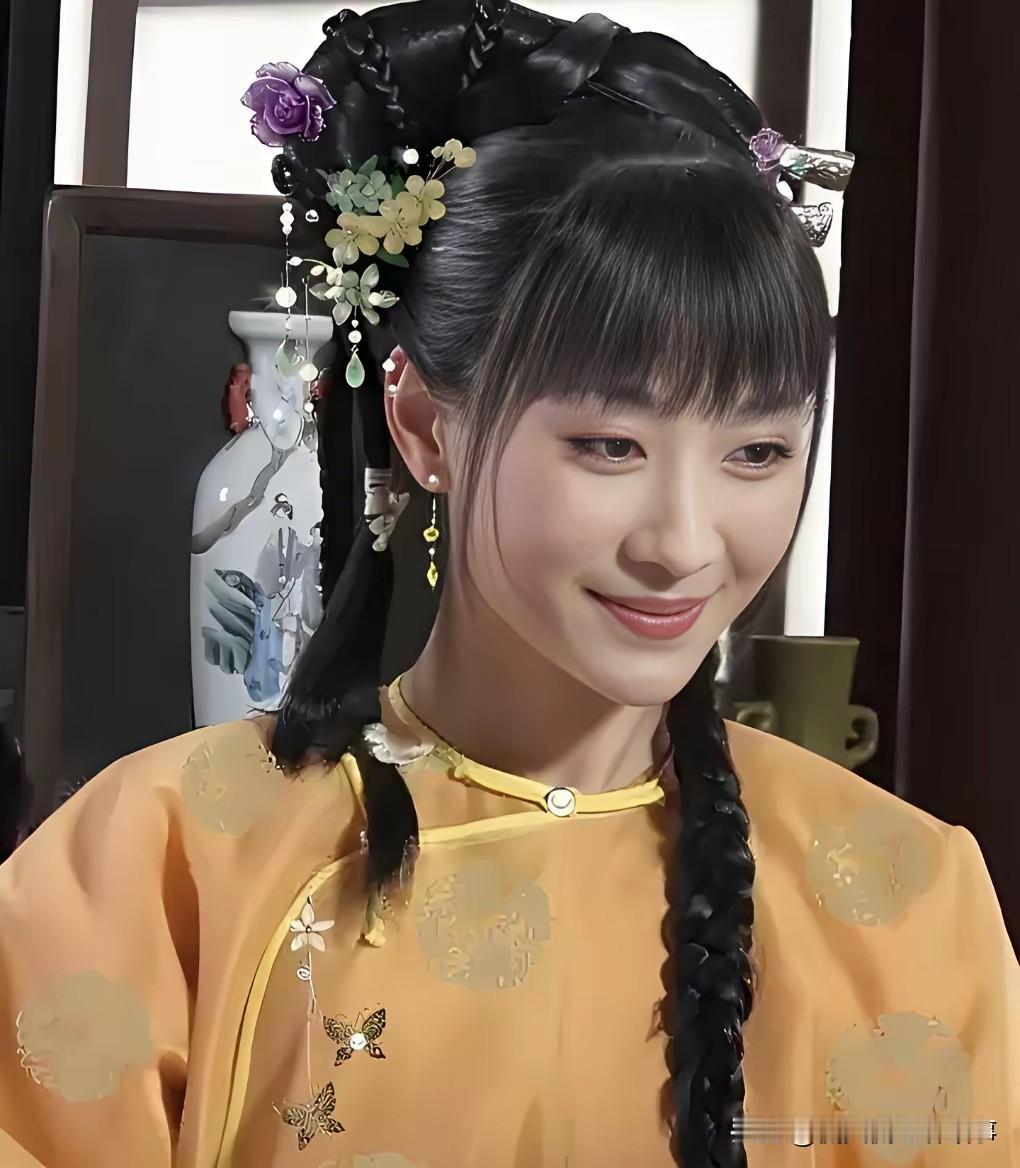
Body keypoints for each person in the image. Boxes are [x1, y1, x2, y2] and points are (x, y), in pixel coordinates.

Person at [1, 2, 1017, 1165]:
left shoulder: (908, 896)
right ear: (425, 423)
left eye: (757, 452)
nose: (685, 543)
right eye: (609, 445)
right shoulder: (155, 865)